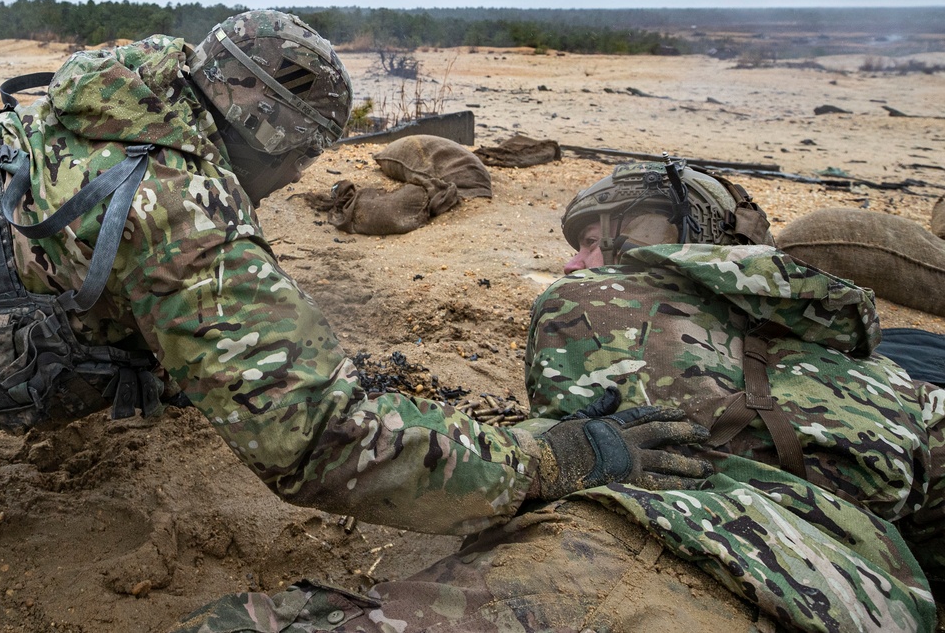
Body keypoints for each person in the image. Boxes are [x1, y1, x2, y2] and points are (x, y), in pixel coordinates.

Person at [0, 9, 711, 553]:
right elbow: (319, 441)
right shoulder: (186, 220)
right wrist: (552, 459)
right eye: (303, 161)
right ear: (275, 144)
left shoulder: (123, 98)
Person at [171, 159, 945, 633]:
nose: (583, 257)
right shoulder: (877, 370)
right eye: (581, 237)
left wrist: (558, 456)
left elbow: (386, 449)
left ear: (701, 245)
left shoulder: (588, 306)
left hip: (626, 558)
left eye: (617, 231)